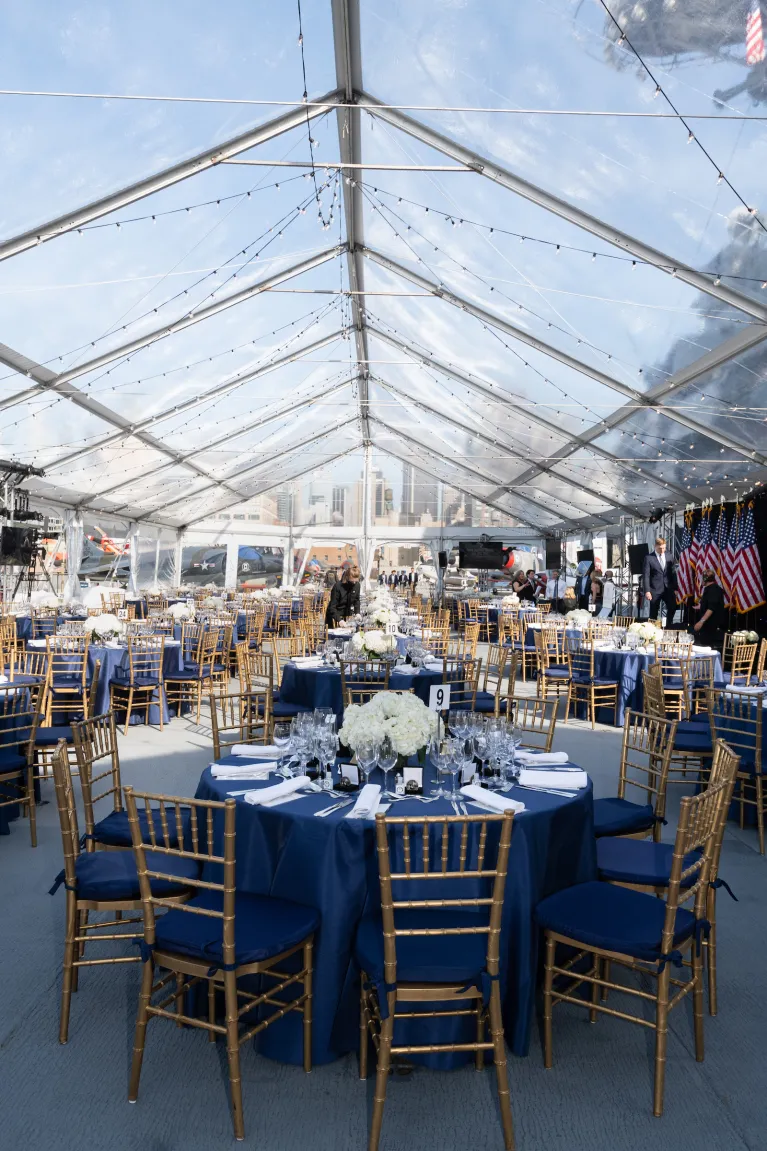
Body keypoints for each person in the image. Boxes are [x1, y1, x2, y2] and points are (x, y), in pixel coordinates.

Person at [641, 537, 677, 629]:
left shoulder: (669, 556)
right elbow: (646, 575)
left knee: (672, 606)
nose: (662, 550)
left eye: (664, 548)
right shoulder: (649, 558)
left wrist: (676, 588)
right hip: (655, 589)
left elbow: (673, 573)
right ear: (655, 546)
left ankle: (668, 626)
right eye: (660, 548)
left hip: (668, 588)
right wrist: (647, 591)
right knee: (653, 611)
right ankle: (652, 630)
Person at [694, 570, 726, 650]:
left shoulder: (713, 590)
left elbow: (711, 608)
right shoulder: (709, 589)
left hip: (711, 626)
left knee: (707, 648)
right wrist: (701, 606)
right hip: (707, 626)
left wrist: (701, 622)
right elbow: (709, 603)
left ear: (705, 579)